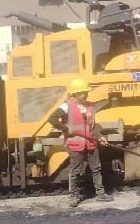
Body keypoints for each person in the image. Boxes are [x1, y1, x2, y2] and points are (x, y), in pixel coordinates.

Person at [47, 78, 113, 207]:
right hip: (75, 144)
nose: (87, 94)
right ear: (76, 94)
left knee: (96, 169)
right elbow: (52, 119)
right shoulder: (66, 106)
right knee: (75, 171)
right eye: (84, 92)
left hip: (91, 143)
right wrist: (65, 129)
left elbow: (93, 127)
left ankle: (100, 194)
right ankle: (73, 196)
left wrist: (100, 136)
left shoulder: (89, 107)